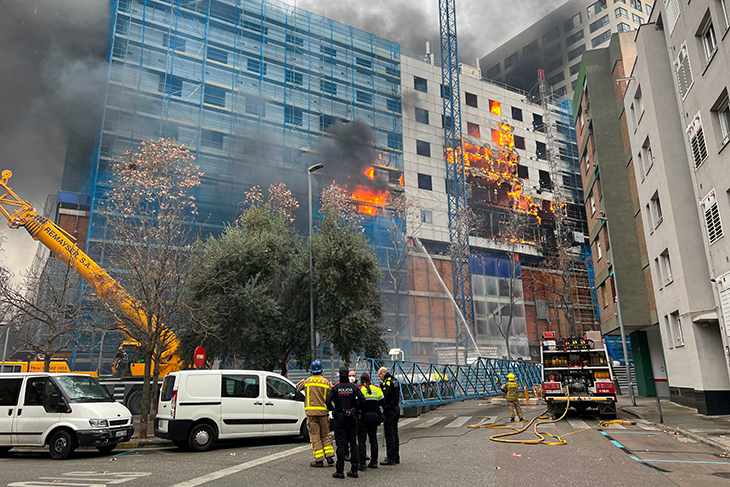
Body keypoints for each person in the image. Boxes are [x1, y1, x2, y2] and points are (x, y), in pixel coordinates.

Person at [326, 366, 365, 479]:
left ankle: (340, 470)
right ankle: (354, 470)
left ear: (339, 375)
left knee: (341, 444)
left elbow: (327, 401)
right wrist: (355, 409)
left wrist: (334, 410)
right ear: (348, 375)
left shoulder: (335, 388)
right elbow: (362, 400)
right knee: (353, 443)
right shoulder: (353, 387)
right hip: (352, 416)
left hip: (340, 417)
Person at [296, 360, 335, 467]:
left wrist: (304, 380)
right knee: (326, 434)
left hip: (311, 413)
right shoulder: (326, 382)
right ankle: (329, 456)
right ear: (322, 370)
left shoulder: (307, 381)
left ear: (311, 370)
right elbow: (331, 395)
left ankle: (319, 460)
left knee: (315, 436)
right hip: (323, 412)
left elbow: (298, 388)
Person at [358, 372, 384, 470]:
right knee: (373, 440)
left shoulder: (360, 389)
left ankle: (362, 463)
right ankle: (374, 462)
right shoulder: (377, 389)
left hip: (364, 417)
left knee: (362, 440)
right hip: (375, 417)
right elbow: (383, 402)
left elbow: (356, 403)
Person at [378, 366, 400, 466]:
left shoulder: (387, 381)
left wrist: (381, 387)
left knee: (389, 434)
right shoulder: (395, 380)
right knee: (395, 433)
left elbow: (385, 394)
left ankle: (390, 457)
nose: (380, 378)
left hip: (390, 410)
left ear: (383, 374)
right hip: (396, 408)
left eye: (380, 376)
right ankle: (396, 456)